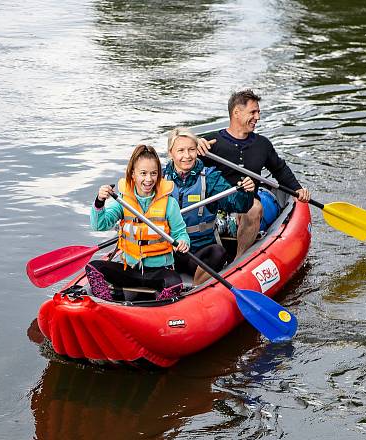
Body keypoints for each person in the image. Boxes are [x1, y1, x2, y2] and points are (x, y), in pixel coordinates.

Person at [199, 89, 310, 257]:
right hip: (216, 204)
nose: (257, 117)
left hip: (247, 203)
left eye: (258, 112)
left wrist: (297, 189)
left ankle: (239, 260)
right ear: (236, 112)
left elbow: (279, 169)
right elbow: (183, 159)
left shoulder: (262, 144)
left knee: (254, 208)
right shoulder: (210, 143)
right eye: (253, 112)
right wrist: (195, 143)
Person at [86, 145, 190, 301]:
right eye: (143, 173)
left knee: (174, 283)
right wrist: (100, 201)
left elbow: (181, 233)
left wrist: (183, 242)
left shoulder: (169, 203)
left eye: (153, 173)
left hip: (159, 272)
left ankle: (159, 309)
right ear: (133, 174)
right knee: (93, 267)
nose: (149, 179)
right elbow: (99, 225)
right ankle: (109, 304)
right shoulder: (122, 200)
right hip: (130, 270)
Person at [164, 127, 255, 285]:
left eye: (191, 149)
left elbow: (238, 205)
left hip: (200, 253)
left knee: (218, 253)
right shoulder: (159, 177)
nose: (187, 156)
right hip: (169, 251)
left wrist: (245, 192)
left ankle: (196, 290)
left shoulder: (210, 177)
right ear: (171, 153)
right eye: (181, 150)